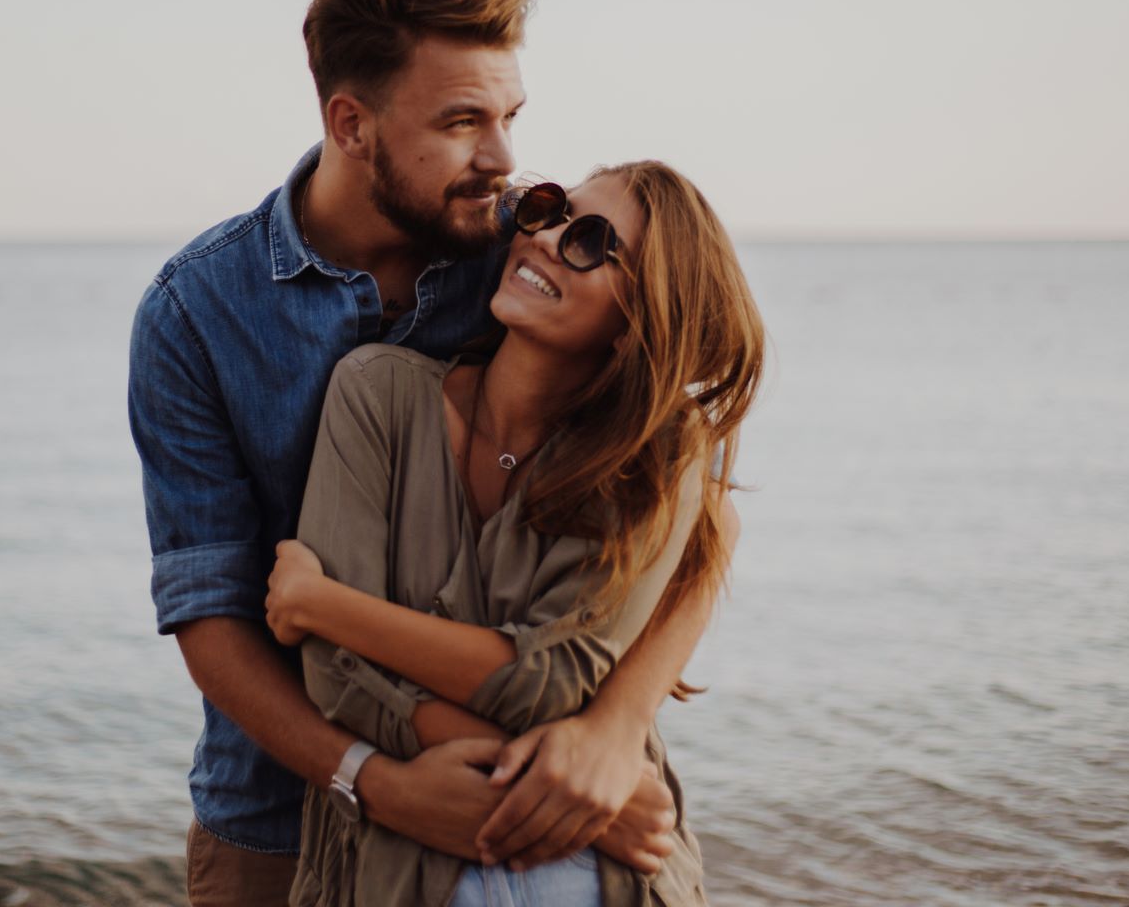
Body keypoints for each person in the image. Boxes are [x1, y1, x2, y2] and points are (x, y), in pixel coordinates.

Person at [129, 0, 722, 906]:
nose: (502, 160)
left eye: (509, 118)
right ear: (352, 124)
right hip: (280, 817)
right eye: (460, 123)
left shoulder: (525, 256)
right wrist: (374, 780)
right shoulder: (197, 312)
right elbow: (213, 614)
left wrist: (611, 731)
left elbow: (694, 508)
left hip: (552, 813)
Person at [265, 165, 764, 905]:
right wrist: (591, 796)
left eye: (592, 241)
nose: (546, 238)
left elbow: (552, 680)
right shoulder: (377, 395)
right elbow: (335, 676)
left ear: (642, 320)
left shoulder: (653, 461)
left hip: (610, 880)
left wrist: (323, 605)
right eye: (550, 209)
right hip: (409, 871)